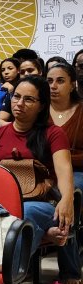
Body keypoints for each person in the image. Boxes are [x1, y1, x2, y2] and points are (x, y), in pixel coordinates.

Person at [0, 75, 80, 284]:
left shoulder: (53, 133)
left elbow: (64, 170)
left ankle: (7, 275)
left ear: (41, 105)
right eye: (16, 97)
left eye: (29, 99)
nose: (19, 103)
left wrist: (67, 199)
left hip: (42, 202)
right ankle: (42, 237)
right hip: (3, 202)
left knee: (25, 213)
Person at [47, 63, 83, 192]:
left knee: (67, 188)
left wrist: (62, 159)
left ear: (72, 85)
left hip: (77, 171)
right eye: (49, 81)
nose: (53, 86)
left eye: (60, 81)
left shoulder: (81, 111)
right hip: (43, 171)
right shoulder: (37, 111)